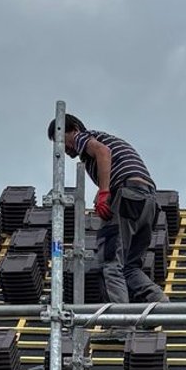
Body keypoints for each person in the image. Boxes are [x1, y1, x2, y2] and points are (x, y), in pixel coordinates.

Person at [49, 115, 158, 303]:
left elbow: (103, 152)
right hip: (148, 202)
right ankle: (161, 306)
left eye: (62, 142)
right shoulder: (101, 139)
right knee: (130, 267)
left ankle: (122, 324)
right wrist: (104, 192)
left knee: (110, 262)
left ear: (74, 129)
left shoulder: (82, 137)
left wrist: (104, 192)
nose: (64, 149)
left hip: (128, 196)